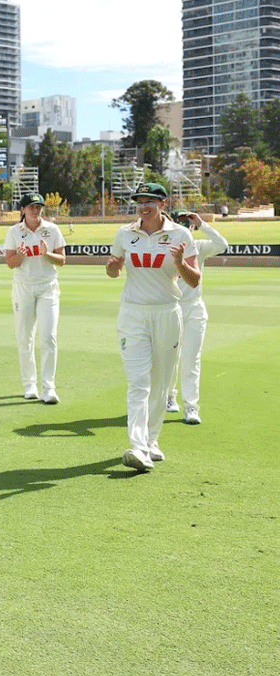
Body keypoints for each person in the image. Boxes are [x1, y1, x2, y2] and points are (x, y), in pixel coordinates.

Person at [105, 183, 200, 471]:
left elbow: (194, 280)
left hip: (167, 313)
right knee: (138, 382)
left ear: (162, 203)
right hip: (133, 315)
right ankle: (138, 446)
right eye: (140, 201)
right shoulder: (125, 234)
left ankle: (151, 440)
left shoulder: (180, 235)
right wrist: (113, 267)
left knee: (160, 384)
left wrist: (180, 263)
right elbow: (113, 271)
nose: (144, 206)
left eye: (150, 201)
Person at [3, 192, 66, 404]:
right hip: (23, 288)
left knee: (49, 336)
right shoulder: (14, 232)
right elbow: (10, 263)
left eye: (38, 206)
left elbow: (62, 260)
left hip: (48, 287)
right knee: (25, 337)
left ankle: (49, 387)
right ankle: (29, 384)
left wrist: (47, 254)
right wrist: (21, 255)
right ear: (23, 210)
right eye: (31, 207)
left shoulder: (52, 230)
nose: (35, 210)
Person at [167, 210, 228, 425]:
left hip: (194, 308)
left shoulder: (199, 246)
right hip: (170, 308)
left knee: (192, 358)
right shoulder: (165, 246)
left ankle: (191, 406)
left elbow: (222, 245)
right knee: (170, 357)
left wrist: (202, 223)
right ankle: (169, 396)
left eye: (187, 223)